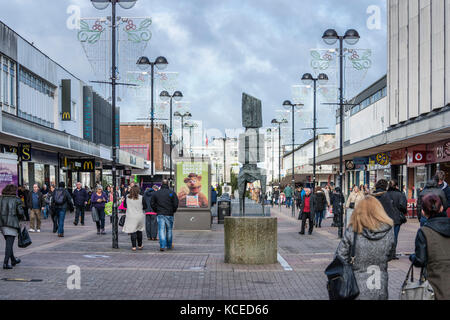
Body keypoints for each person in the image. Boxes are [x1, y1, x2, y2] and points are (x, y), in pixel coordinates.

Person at [335, 196, 395, 300]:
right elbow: (390, 255)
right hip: (380, 286)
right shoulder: (388, 230)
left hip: (356, 287)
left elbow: (340, 255)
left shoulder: (353, 230)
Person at [409, 194, 450, 300]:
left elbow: (420, 260)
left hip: (435, 283)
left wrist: (412, 257)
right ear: (441, 208)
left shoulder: (424, 232)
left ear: (423, 212)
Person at [0, 185, 25, 270]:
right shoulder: (16, 199)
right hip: (12, 223)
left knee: (9, 243)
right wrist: (22, 217)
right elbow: (20, 213)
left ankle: (13, 260)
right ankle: (5, 263)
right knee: (9, 244)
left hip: (2, 224)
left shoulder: (1, 199)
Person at [150, 179, 179, 252]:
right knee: (169, 230)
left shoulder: (156, 193)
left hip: (160, 214)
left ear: (161, 184)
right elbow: (176, 203)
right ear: (168, 184)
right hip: (169, 213)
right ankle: (169, 245)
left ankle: (162, 246)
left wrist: (156, 210)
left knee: (161, 230)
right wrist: (173, 210)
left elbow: (152, 203)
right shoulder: (172, 193)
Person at [386, 179, 407, 259]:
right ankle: (393, 254)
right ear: (396, 186)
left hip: (386, 218)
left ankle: (387, 253)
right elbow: (403, 206)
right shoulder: (400, 194)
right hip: (397, 218)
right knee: (395, 236)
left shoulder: (385, 194)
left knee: (387, 236)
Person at [122, 185, 146, 251]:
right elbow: (145, 206)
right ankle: (140, 245)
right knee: (139, 230)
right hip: (139, 216)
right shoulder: (141, 197)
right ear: (138, 190)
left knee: (133, 231)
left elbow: (124, 205)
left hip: (130, 216)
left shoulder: (127, 197)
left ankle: (134, 246)